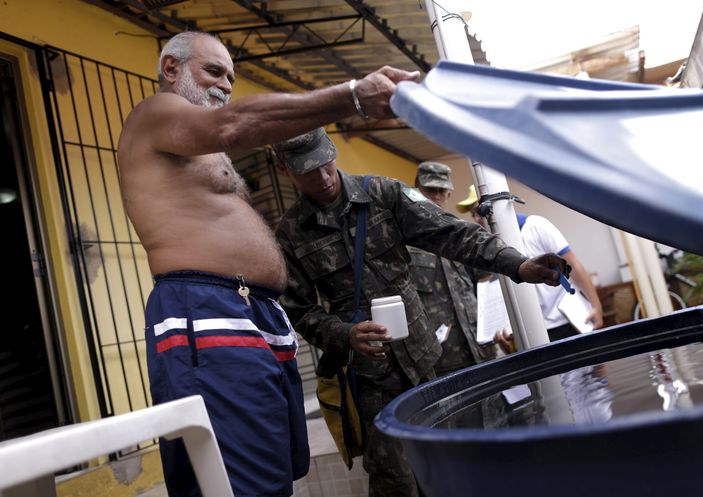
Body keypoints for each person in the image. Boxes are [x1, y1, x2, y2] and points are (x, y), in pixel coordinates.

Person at [118, 30, 421, 497]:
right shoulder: (157, 113)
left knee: (275, 472)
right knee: (240, 482)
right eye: (213, 71)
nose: (223, 86)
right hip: (205, 310)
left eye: (231, 78)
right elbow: (235, 124)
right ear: (171, 69)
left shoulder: (196, 145)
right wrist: (352, 96)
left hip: (251, 313)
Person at [273, 128, 570, 497]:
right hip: (367, 380)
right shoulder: (289, 235)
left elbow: (454, 234)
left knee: (452, 467)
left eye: (324, 163)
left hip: (426, 362)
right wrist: (343, 334)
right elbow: (298, 311)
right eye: (307, 170)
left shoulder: (384, 194)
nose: (322, 176)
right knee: (396, 483)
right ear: (284, 169)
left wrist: (519, 265)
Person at [456, 185, 604, 351]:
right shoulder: (488, 248)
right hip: (533, 333)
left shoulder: (536, 226)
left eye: (480, 211)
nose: (477, 219)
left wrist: (596, 305)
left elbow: (573, 265)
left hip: (569, 321)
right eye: (473, 214)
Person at [408, 162, 497, 375]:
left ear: (449, 194)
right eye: (430, 190)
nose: (436, 196)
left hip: (480, 349)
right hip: (438, 360)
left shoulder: (463, 234)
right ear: (416, 188)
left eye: (442, 191)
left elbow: (486, 287)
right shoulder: (402, 238)